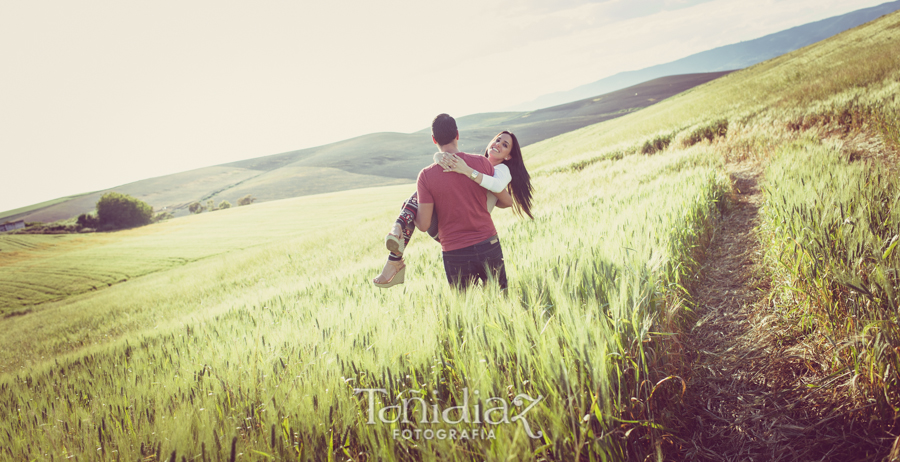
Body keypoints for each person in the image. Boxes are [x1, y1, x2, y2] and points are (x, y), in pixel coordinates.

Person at [372, 113, 533, 288]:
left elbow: (424, 225)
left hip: (454, 248)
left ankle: (395, 243)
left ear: (434, 139)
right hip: (487, 241)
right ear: (457, 134)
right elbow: (501, 199)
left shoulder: (495, 170)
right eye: (497, 140)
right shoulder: (483, 163)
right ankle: (395, 246)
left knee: (411, 202)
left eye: (505, 145)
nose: (498, 145)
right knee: (500, 298)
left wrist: (466, 171)